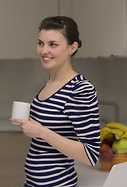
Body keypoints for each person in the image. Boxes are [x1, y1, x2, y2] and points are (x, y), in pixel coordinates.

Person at [10, 16, 100, 187]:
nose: (44, 51)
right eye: (40, 43)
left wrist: (42, 131)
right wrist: (29, 125)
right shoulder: (49, 83)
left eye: (53, 44)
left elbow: (90, 155)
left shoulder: (80, 89)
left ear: (72, 48)